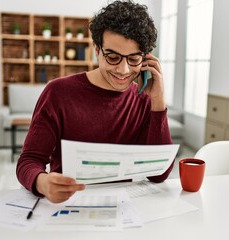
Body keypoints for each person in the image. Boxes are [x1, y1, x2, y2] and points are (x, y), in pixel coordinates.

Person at [16, 0, 173, 203]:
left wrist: (158, 103)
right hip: (68, 205)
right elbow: (29, 161)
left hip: (121, 208)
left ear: (146, 59)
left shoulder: (145, 100)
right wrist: (42, 182)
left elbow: (158, 174)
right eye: (113, 57)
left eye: (134, 59)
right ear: (97, 50)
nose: (123, 70)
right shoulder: (58, 92)